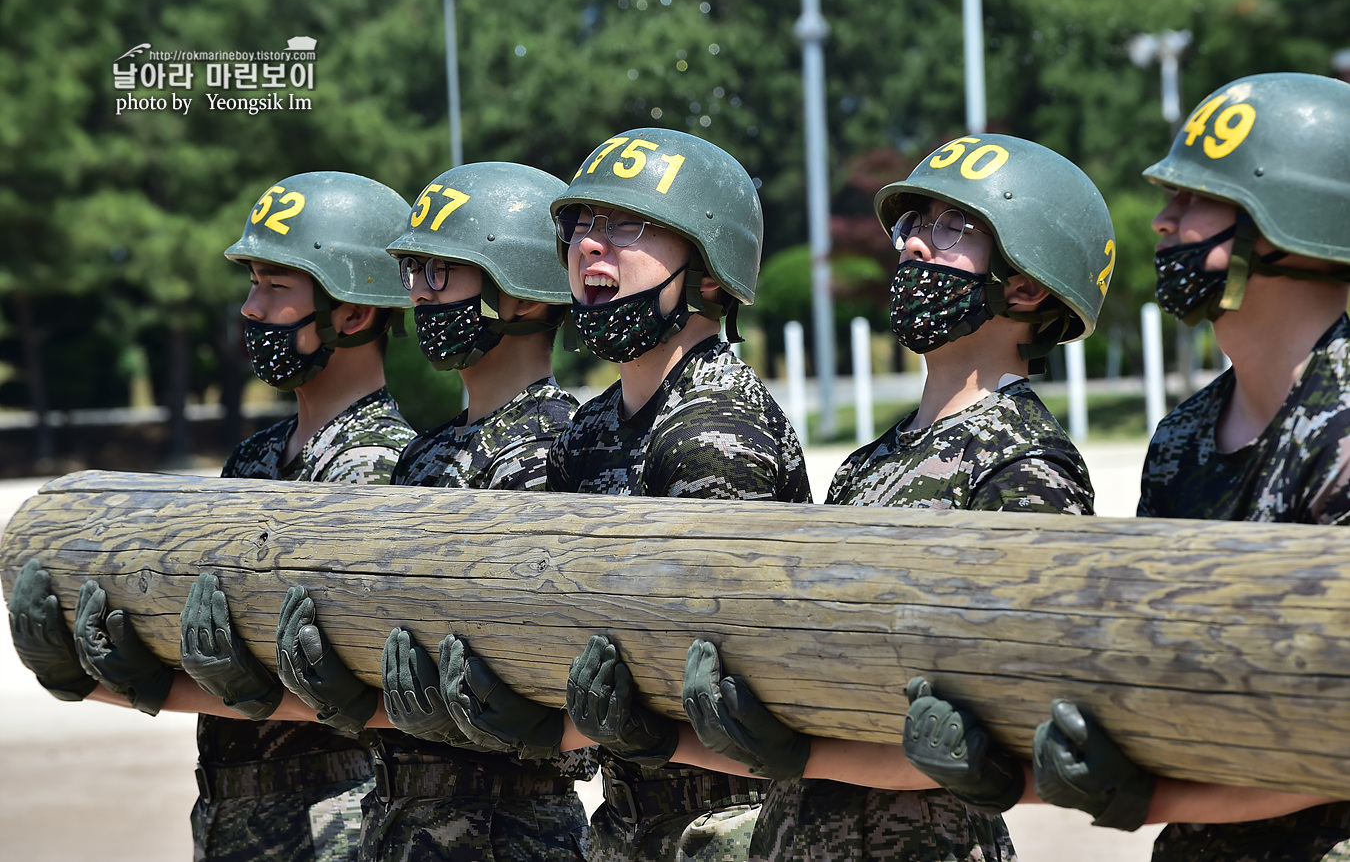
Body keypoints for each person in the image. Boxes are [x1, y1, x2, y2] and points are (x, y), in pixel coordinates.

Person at [675, 134, 1115, 862]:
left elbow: (1011, 738)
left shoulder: (1027, 468)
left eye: (951, 227)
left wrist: (796, 751)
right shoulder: (868, 462)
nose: (911, 246)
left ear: (1027, 286)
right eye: (913, 224)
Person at [421, 127, 813, 862]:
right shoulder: (591, 429)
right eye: (580, 225)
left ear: (707, 268)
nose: (589, 247)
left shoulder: (716, 434)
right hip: (630, 823)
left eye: (626, 225)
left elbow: (738, 682)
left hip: (733, 827)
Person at [42, 171, 418, 862]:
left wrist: (142, 684)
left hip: (334, 823)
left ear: (355, 313)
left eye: (276, 287)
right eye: (251, 283)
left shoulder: (383, 468)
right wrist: (101, 670)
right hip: (237, 814)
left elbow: (365, 688)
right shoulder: (255, 458)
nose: (251, 308)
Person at [1027, 72, 1350, 859]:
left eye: (1196, 200)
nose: (1163, 222)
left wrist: (1150, 796)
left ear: (1292, 223)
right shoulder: (1183, 433)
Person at [288, 161, 598, 860]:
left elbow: (558, 681)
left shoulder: (559, 449)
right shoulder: (424, 454)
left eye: (442, 272)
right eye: (414, 273)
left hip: (507, 828)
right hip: (401, 817)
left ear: (518, 293)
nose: (422, 295)